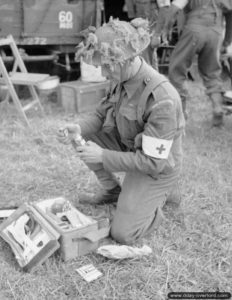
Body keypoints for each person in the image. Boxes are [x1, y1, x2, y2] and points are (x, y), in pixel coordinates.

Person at [56, 18, 185, 245]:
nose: (104, 73)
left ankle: (157, 201)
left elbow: (153, 163)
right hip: (131, 147)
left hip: (156, 167)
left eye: (107, 66)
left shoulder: (162, 98)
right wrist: (78, 128)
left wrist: (103, 156)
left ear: (128, 59)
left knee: (122, 234)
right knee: (83, 138)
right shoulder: (121, 76)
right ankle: (114, 192)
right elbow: (99, 115)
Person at [152, 0, 232, 126]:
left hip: (194, 29)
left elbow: (174, 9)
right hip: (215, 32)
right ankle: (218, 109)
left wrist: (165, 31)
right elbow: (230, 14)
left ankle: (180, 115)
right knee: (212, 73)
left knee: (176, 70)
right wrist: (227, 41)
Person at [124, 0, 171, 69]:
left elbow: (165, 9)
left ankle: (151, 78)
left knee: (147, 56)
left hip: (151, 22)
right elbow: (129, 7)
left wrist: (157, 34)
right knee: (141, 57)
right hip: (138, 22)